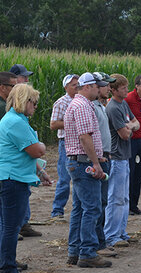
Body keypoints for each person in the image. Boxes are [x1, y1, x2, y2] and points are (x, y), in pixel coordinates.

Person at [0, 84, 51, 273]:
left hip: (7, 177)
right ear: (23, 101)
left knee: (8, 225)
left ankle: (4, 263)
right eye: (33, 102)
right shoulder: (16, 122)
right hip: (11, 179)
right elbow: (36, 150)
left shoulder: (13, 120)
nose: (35, 106)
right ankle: (7, 270)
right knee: (11, 228)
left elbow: (25, 151)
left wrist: (41, 172)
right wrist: (41, 144)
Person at [64, 72, 113, 268]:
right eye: (95, 86)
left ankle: (75, 250)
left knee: (79, 208)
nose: (98, 89)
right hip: (84, 163)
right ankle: (88, 252)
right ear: (87, 87)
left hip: (78, 162)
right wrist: (96, 163)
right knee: (92, 208)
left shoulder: (77, 104)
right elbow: (85, 137)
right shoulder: (83, 106)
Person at [104, 74, 139, 250]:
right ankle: (111, 235)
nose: (126, 90)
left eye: (126, 87)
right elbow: (124, 134)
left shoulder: (123, 104)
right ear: (114, 89)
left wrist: (129, 127)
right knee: (115, 198)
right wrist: (129, 128)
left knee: (124, 198)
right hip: (117, 157)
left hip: (125, 156)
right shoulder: (113, 108)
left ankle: (121, 232)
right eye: (123, 88)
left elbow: (136, 123)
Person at [90, 72, 116, 257]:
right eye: (106, 85)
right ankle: (97, 244)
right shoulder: (91, 107)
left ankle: (100, 241)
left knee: (102, 202)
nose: (109, 88)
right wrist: (97, 158)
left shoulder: (100, 106)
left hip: (105, 157)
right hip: (100, 159)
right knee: (97, 204)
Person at [50, 74, 79, 219]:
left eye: (77, 84)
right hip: (66, 142)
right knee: (64, 177)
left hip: (80, 141)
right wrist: (72, 122)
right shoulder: (61, 103)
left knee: (80, 176)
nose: (76, 87)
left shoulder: (82, 101)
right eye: (73, 85)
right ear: (66, 87)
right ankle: (57, 211)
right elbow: (53, 124)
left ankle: (76, 209)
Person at [124, 75, 141, 216]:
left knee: (139, 174)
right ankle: (127, 206)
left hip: (140, 140)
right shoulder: (128, 99)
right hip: (129, 141)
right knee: (130, 172)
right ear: (137, 86)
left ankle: (134, 205)